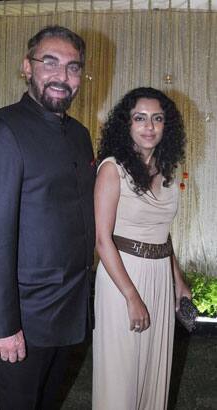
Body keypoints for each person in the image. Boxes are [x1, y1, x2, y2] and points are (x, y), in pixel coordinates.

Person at [0, 25, 95, 410]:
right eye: (49, 62)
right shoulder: (1, 131)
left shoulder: (80, 135)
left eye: (73, 67)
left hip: (69, 310)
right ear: (27, 67)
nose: (62, 76)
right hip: (25, 315)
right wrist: (3, 327)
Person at [92, 87, 191, 410]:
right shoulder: (112, 169)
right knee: (121, 376)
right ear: (127, 125)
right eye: (140, 118)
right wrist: (132, 297)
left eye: (157, 119)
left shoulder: (166, 175)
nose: (149, 126)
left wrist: (177, 281)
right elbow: (102, 239)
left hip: (160, 277)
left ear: (167, 126)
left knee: (154, 370)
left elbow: (163, 234)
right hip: (122, 276)